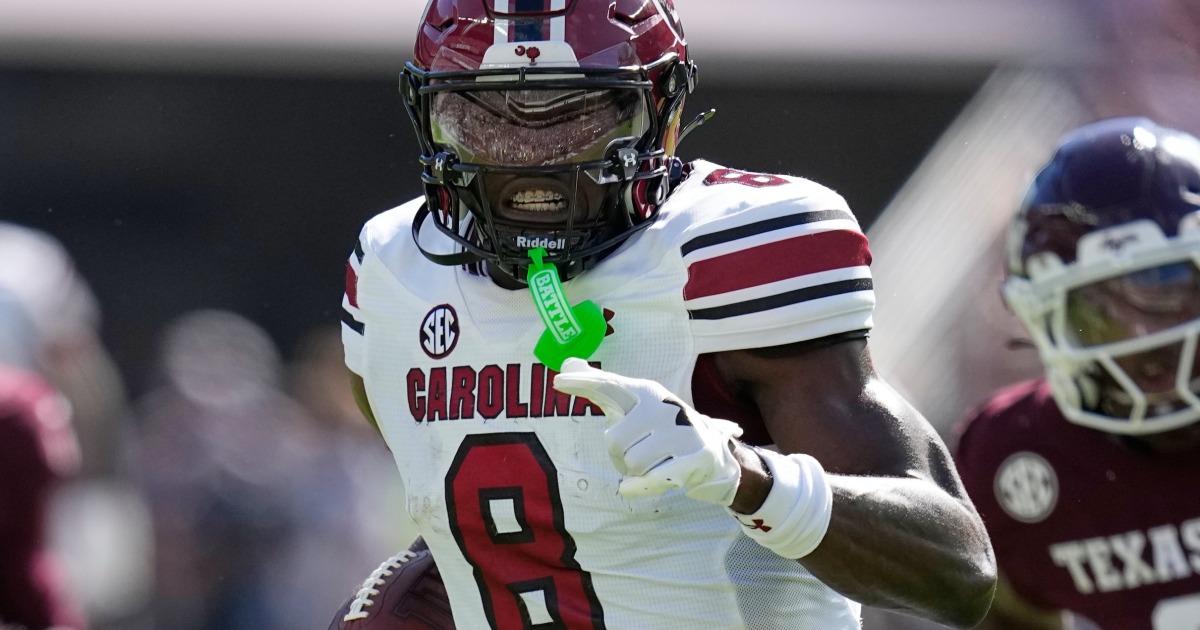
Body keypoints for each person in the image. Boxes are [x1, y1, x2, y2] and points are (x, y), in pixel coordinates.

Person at [340, 1, 996, 627]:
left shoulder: (732, 251)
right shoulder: (394, 270)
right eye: (486, 123)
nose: (532, 164)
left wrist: (745, 476)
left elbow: (958, 571)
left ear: (663, 111)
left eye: (577, 120)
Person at [953, 117, 1200, 628]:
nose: (1143, 337)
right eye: (1097, 312)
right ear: (1042, 315)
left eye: (1164, 286)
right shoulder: (1014, 457)